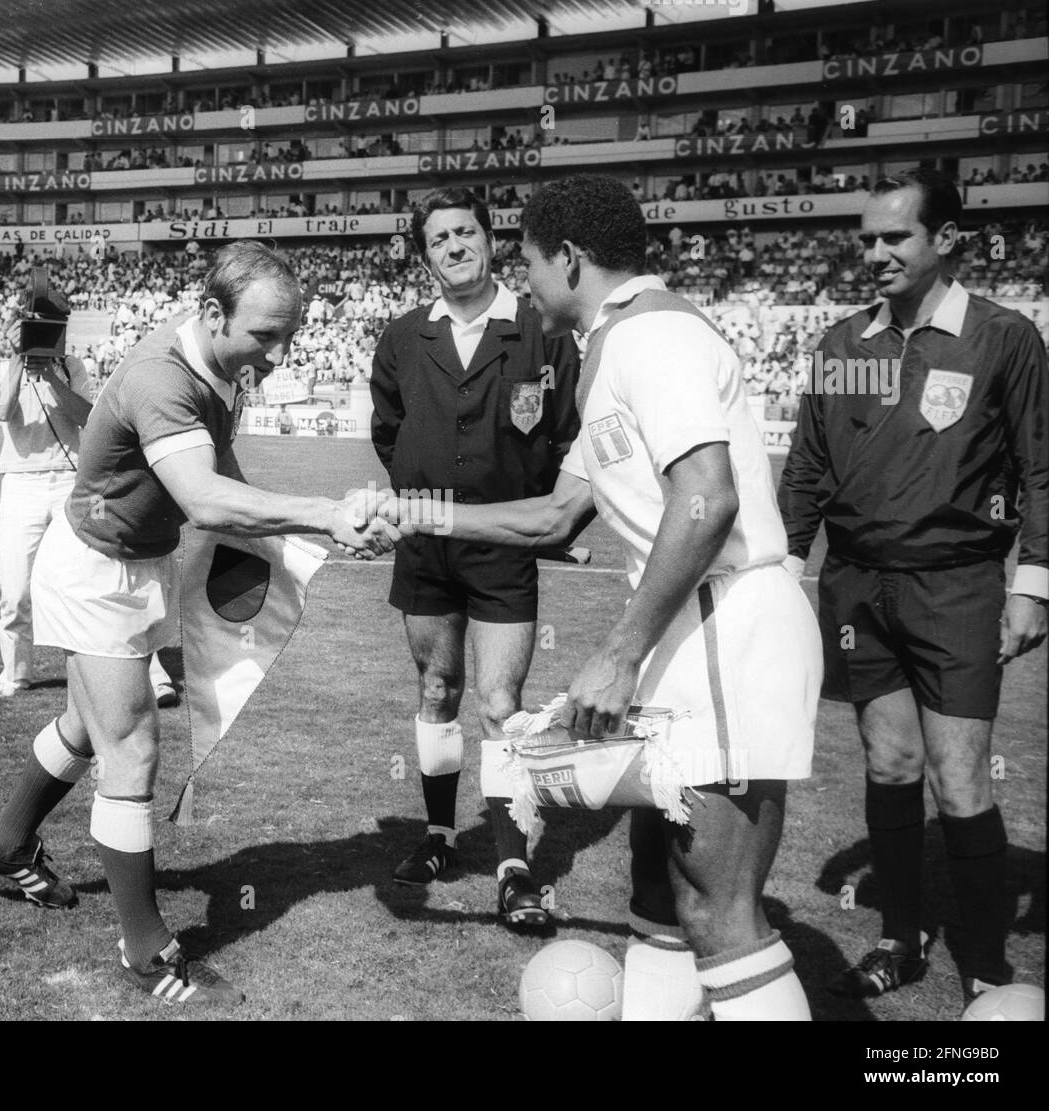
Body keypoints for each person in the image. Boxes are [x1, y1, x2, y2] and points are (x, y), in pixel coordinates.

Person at [386, 175, 820, 1020]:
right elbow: (554, 514)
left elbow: (708, 499)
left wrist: (620, 654)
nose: (526, 280)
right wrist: (414, 510)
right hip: (691, 635)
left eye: (530, 262)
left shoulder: (654, 335)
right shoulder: (614, 343)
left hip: (727, 631)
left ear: (570, 258)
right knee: (659, 893)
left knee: (717, 913)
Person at [0, 242, 396, 1008]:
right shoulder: (162, 377)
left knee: (83, 723)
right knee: (131, 747)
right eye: (264, 335)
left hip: (145, 562)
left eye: (289, 336)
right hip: (96, 566)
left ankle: (4, 843)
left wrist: (318, 532)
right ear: (211, 314)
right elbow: (203, 497)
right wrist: (328, 514)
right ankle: (143, 944)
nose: (277, 353)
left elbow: (221, 472)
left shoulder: (223, 369)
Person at [778, 167, 1047, 1007]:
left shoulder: (1001, 338)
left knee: (960, 775)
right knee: (890, 762)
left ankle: (987, 962)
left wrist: (1031, 583)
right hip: (858, 585)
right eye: (867, 239)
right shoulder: (847, 345)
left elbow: (1044, 469)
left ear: (947, 239)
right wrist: (787, 569)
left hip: (957, 585)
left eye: (895, 237)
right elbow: (810, 467)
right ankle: (900, 936)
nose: (877, 253)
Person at [370, 186, 580, 929]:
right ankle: (435, 837)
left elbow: (562, 434)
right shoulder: (400, 337)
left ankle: (514, 864)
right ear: (424, 255)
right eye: (438, 239)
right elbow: (389, 433)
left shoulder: (541, 331)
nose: (455, 247)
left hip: (502, 547)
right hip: (425, 546)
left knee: (500, 706)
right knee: (436, 688)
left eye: (466, 232)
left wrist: (537, 519)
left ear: (490, 240)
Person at [0, 274, 94, 698]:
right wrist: (19, 360)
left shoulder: (73, 367)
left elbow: (86, 416)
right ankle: (15, 673)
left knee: (79, 583)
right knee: (14, 588)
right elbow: (3, 410)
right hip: (20, 482)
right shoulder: (3, 364)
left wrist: (50, 373)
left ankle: (87, 671)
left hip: (69, 480)